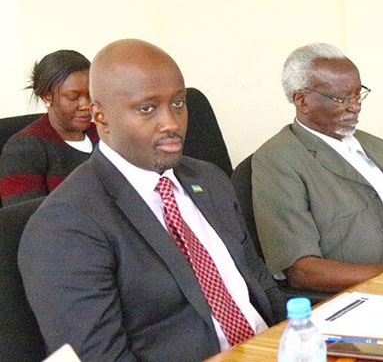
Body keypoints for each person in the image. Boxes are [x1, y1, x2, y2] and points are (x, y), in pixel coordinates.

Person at [19, 40, 284, 361]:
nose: (172, 123)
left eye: (178, 103)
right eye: (147, 108)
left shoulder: (209, 180)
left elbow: (260, 284)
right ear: (100, 117)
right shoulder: (66, 225)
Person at [252, 43, 383, 293]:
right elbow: (302, 271)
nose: (355, 106)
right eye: (341, 99)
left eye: (357, 94)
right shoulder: (277, 160)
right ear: (302, 101)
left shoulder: (377, 147)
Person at [0, 50, 99, 206]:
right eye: (73, 97)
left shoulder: (105, 135)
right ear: (47, 96)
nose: (86, 105)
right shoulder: (23, 150)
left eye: (91, 94)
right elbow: (25, 221)